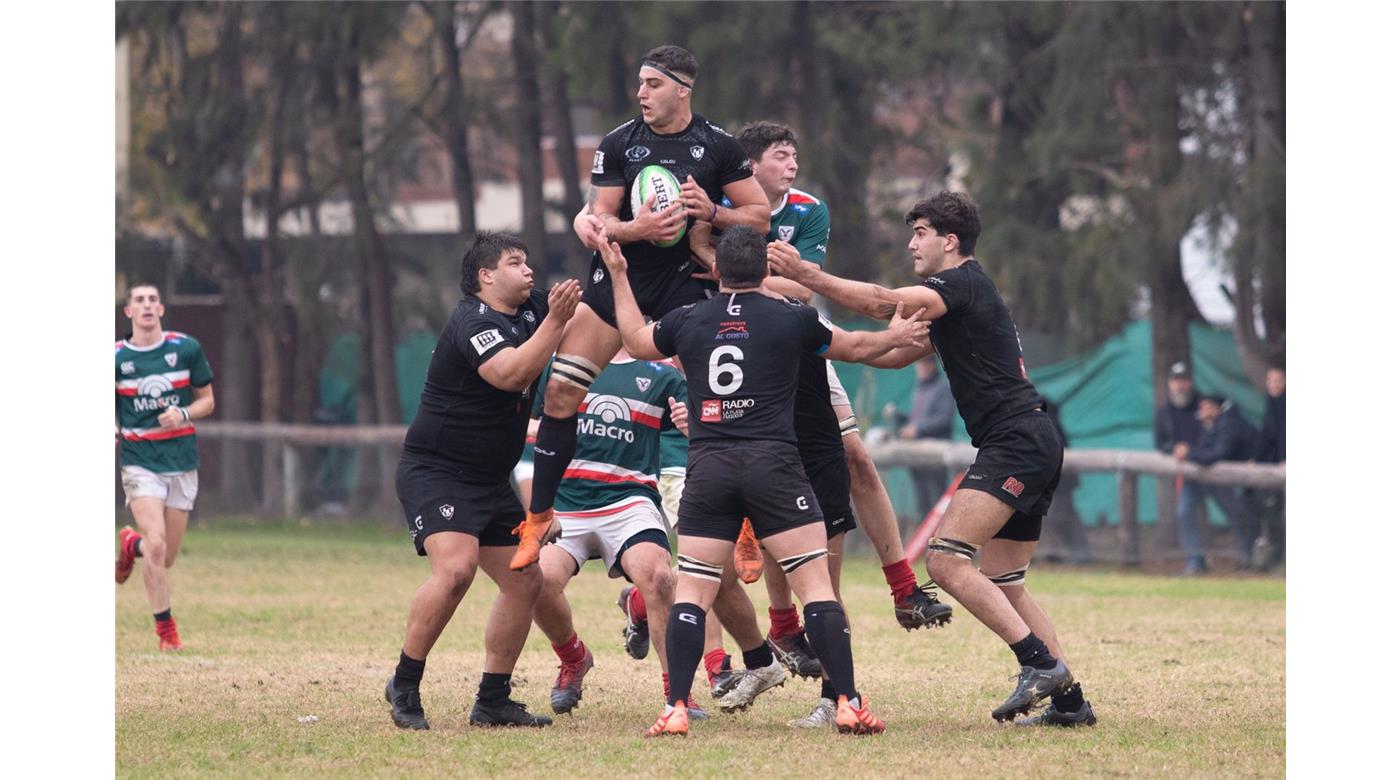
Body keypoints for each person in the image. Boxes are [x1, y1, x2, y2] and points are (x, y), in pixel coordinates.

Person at [768, 190, 1097, 727]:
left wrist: (809, 275)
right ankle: (1069, 703)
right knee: (1005, 578)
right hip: (1032, 438)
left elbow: (880, 302)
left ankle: (1038, 664)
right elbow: (896, 353)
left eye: (920, 233)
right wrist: (813, 341)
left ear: (950, 241)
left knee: (945, 560)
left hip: (1015, 441)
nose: (911, 243)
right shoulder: (955, 303)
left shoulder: (958, 283)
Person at [602, 226, 930, 736]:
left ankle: (676, 709)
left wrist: (621, 276)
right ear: (767, 273)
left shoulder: (687, 318)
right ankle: (847, 702)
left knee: (693, 591)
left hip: (708, 467)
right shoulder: (792, 317)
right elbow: (855, 347)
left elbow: (634, 340)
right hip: (773, 465)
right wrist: (897, 337)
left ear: (715, 271)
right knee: (816, 585)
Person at [695, 122, 952, 719]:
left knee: (853, 457)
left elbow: (801, 291)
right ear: (749, 166)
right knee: (768, 476)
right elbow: (726, 274)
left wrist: (734, 269)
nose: (792, 166)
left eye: (795, 155)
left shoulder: (808, 209)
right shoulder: (718, 200)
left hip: (804, 345)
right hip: (745, 358)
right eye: (782, 156)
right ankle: (784, 628)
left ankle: (901, 584)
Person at [519, 44, 772, 572]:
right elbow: (599, 217)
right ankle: (540, 515)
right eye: (638, 83)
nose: (641, 94)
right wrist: (638, 230)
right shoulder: (619, 143)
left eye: (653, 84)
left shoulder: (717, 145)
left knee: (718, 403)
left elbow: (759, 215)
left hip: (684, 284)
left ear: (682, 89)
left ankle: (745, 522)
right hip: (618, 280)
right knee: (563, 390)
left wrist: (714, 214)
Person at [384, 232, 580, 731]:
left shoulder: (535, 307)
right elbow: (510, 375)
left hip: (489, 477)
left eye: (528, 259)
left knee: (525, 580)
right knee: (455, 571)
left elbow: (589, 314)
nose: (529, 270)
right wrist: (557, 321)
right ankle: (405, 683)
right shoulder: (473, 320)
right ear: (485, 277)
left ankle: (492, 700)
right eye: (515, 262)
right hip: (437, 470)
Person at [525, 348, 704, 719]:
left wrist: (693, 424)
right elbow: (528, 424)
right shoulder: (560, 365)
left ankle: (678, 695)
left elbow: (706, 428)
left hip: (629, 501)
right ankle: (574, 658)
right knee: (535, 582)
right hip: (567, 502)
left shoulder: (662, 373)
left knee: (659, 577)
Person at [115, 283, 216, 652]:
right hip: (140, 462)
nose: (146, 305)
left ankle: (131, 545)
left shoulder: (185, 349)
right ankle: (166, 633)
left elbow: (207, 401)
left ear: (161, 309)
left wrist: (184, 412)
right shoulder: (115, 358)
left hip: (181, 461)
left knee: (165, 555)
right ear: (128, 312)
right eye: (139, 300)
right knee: (156, 545)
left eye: (152, 300)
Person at [1176, 394, 1259, 572]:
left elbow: (1218, 454)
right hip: (1205, 478)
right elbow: (1203, 449)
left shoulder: (1229, 424)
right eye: (1202, 407)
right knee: (1184, 511)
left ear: (1218, 409)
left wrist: (1190, 454)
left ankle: (1248, 558)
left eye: (1208, 407)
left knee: (1238, 515)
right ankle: (1195, 561)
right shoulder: (1206, 425)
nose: (1203, 411)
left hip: (1241, 478)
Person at [901, 355, 956, 520]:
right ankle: (924, 543)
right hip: (916, 455)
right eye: (919, 363)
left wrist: (918, 429)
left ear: (932, 365)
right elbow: (915, 419)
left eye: (925, 363)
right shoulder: (919, 389)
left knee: (938, 502)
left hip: (936, 456)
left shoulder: (943, 388)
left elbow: (944, 420)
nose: (921, 367)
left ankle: (939, 539)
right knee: (922, 503)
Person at [1252, 365, 1285, 569]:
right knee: (1272, 511)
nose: (1273, 385)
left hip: (1283, 464)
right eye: (1270, 381)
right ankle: (1275, 557)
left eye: (1277, 380)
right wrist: (1256, 458)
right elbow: (1267, 435)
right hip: (1275, 467)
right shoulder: (1271, 404)